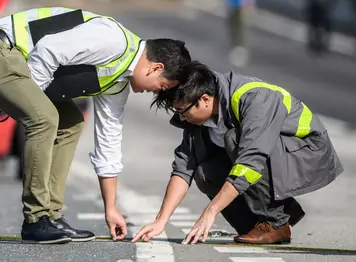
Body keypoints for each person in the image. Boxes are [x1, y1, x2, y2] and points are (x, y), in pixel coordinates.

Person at [0, 7, 192, 244]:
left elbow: (108, 142)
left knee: (71, 121)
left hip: (13, 60)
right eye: (161, 86)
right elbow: (49, 49)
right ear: (157, 68)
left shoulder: (119, 81)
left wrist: (110, 208)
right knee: (44, 118)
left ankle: (51, 215)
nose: (154, 91)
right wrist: (30, 99)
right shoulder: (113, 40)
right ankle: (36, 219)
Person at [134, 61, 343, 245]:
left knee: (235, 141)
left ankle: (276, 222)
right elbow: (183, 167)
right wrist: (161, 221)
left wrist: (210, 211)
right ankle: (259, 224)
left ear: (205, 99)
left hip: (304, 152)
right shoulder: (198, 118)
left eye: (182, 111)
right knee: (205, 172)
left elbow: (252, 160)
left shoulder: (254, 98)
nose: (182, 118)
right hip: (269, 156)